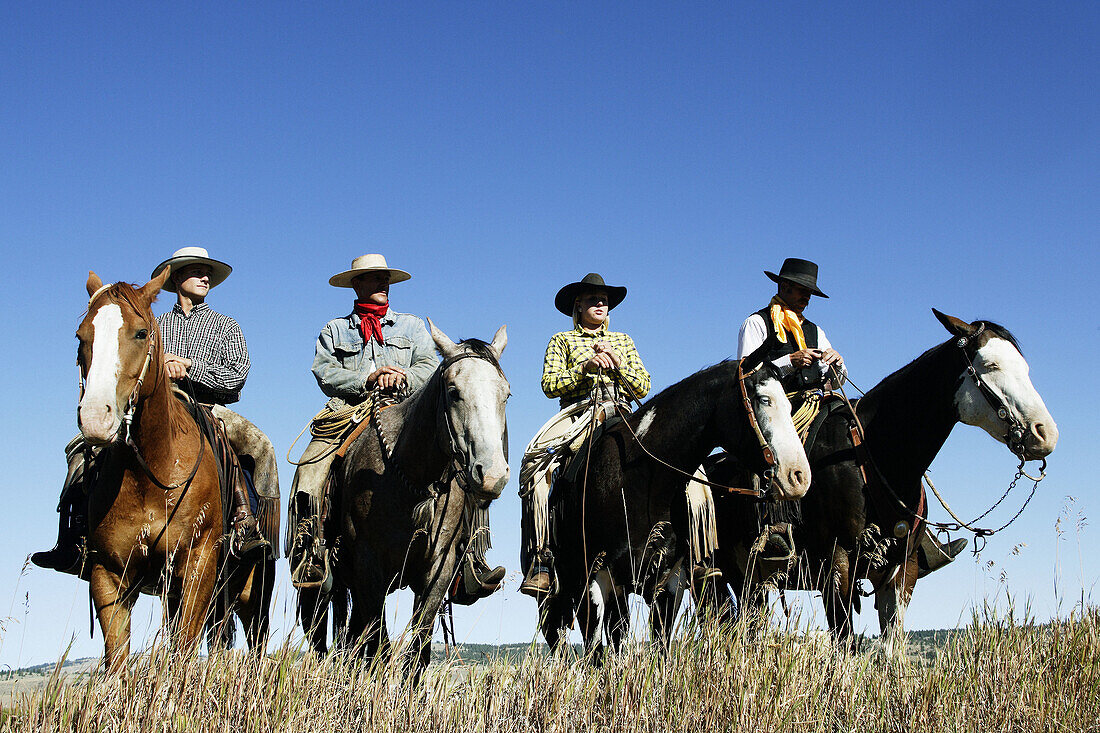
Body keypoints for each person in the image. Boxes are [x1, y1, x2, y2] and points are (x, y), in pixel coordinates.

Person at [33, 246, 268, 573]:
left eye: (208, 273)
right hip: (149, 406)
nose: (205, 277)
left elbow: (237, 375)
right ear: (176, 277)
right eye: (197, 270)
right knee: (79, 448)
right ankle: (72, 537)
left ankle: (247, 524)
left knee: (259, 446)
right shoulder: (150, 321)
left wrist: (189, 367)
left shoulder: (225, 325)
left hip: (204, 403)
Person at [288, 254, 505, 596]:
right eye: (374, 278)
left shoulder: (413, 326)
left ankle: (470, 556)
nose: (383, 284)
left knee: (460, 465)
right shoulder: (334, 330)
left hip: (405, 410)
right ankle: (310, 547)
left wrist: (401, 375)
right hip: (349, 410)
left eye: (385, 278)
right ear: (356, 284)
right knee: (309, 468)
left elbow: (428, 368)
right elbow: (324, 371)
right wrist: (368, 377)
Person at [736, 257, 964, 574]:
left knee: (877, 435)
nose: (806, 298)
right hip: (775, 405)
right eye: (802, 291)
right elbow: (746, 374)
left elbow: (837, 380)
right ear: (783, 286)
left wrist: (837, 363)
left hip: (819, 402)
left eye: (809, 293)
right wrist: (791, 361)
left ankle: (917, 539)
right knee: (779, 450)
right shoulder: (757, 324)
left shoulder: (815, 331)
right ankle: (776, 528)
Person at [519, 273, 650, 596]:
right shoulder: (561, 340)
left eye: (604, 299)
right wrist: (584, 368)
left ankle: (696, 553)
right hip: (577, 412)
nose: (600, 303)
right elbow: (549, 385)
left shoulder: (624, 340)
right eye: (593, 299)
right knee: (536, 466)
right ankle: (542, 558)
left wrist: (618, 366)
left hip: (622, 409)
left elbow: (644, 384)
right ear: (578, 306)